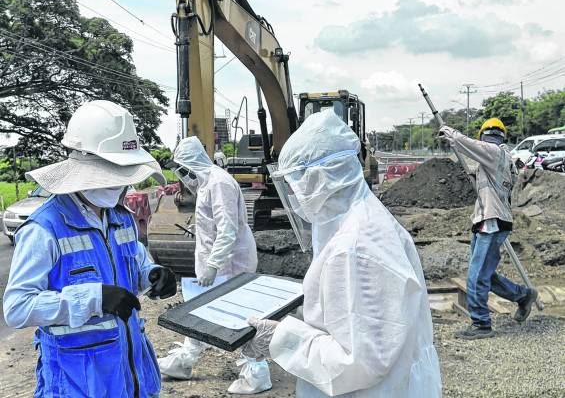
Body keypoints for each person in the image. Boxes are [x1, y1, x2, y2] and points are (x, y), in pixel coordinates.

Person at [243, 110, 442, 397]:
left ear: (317, 179)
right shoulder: (359, 219)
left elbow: (357, 363)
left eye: (294, 184)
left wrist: (280, 339)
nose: (294, 196)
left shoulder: (354, 247)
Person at [3, 100, 177, 398]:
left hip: (131, 376)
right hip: (78, 383)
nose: (116, 184)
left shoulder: (121, 219)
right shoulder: (44, 228)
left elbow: (135, 264)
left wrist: (152, 275)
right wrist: (93, 298)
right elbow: (17, 308)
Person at [158, 136, 271, 395]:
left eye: (182, 171)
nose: (183, 177)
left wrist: (213, 265)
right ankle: (184, 361)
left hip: (230, 264)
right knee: (201, 311)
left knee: (240, 317)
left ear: (189, 166)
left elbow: (228, 230)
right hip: (217, 263)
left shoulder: (219, 183)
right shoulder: (207, 182)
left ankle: (257, 372)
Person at [439, 118, 538, 340]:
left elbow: (469, 145)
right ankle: (522, 296)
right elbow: (479, 168)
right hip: (488, 219)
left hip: (491, 221)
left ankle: (481, 324)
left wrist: (450, 133)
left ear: (484, 135)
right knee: (486, 275)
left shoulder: (493, 152)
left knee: (476, 277)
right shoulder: (502, 158)